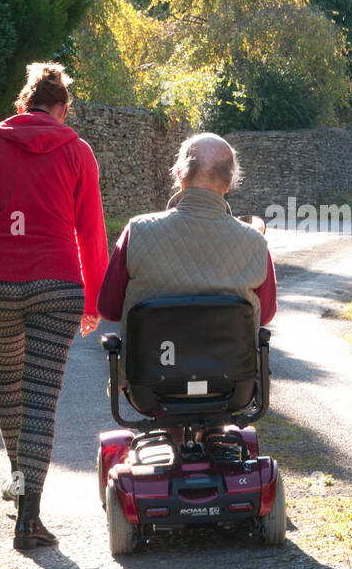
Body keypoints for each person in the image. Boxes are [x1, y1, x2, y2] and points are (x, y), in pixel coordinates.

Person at [0, 62, 107, 551]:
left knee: (9, 390)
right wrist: (94, 301)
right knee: (40, 401)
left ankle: (21, 492)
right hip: (57, 288)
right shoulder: (77, 152)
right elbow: (92, 233)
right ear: (62, 109)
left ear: (24, 104)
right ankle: (28, 518)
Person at [99, 133, 276, 389]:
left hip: (151, 384)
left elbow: (109, 307)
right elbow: (266, 313)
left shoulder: (137, 231)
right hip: (230, 385)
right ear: (228, 184)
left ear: (180, 176)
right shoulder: (255, 242)